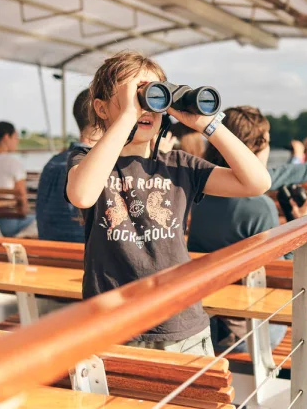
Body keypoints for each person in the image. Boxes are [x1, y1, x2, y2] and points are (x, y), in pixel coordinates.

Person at [65, 51, 271, 356]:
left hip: (181, 323)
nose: (144, 108)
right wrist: (125, 119)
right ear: (101, 108)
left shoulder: (179, 165)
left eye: (153, 98)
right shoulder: (86, 162)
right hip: (111, 325)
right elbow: (82, 194)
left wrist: (207, 125)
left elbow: (257, 182)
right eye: (134, 97)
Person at [188, 106, 307, 352]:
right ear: (257, 148)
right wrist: (305, 224)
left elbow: (275, 174)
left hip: (207, 324)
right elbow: (287, 274)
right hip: (249, 333)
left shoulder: (200, 190)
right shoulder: (260, 207)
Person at [36, 90, 100, 242]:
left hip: (49, 254)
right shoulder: (99, 168)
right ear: (103, 113)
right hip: (84, 259)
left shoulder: (52, 163)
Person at [0, 122, 36, 237]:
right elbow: (22, 196)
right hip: (8, 224)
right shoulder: (13, 163)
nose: (17, 141)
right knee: (42, 218)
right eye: (15, 137)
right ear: (6, 137)